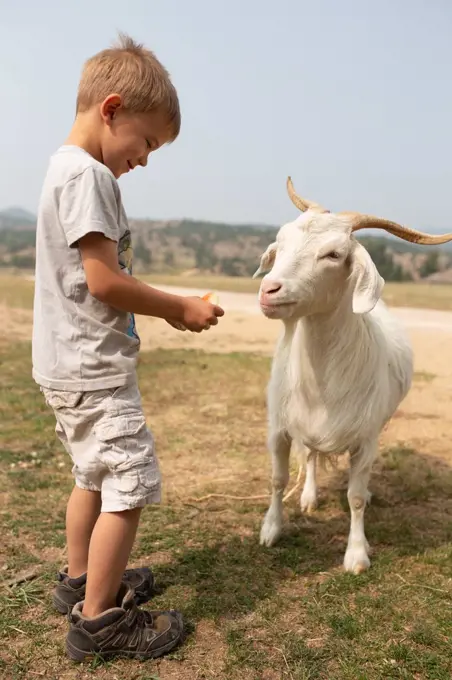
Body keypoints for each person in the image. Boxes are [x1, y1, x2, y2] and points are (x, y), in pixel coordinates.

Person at [32, 33, 224, 662]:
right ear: (111, 110)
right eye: (146, 142)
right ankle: (100, 623)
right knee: (128, 485)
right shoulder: (89, 176)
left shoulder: (63, 167)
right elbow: (104, 280)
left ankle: (83, 580)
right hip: (94, 368)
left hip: (65, 366)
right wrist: (178, 308)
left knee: (90, 473)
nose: (144, 159)